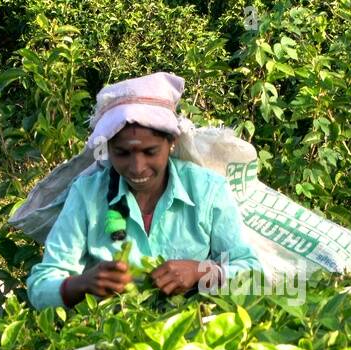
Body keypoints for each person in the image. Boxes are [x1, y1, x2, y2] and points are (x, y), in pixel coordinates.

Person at [26, 72, 261, 309]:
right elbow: (40, 286)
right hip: (110, 337)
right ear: (108, 149)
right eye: (122, 153)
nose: (137, 168)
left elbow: (251, 270)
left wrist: (201, 272)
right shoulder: (87, 195)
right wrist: (83, 283)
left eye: (150, 152)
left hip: (194, 332)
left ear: (171, 143)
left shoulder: (207, 189)